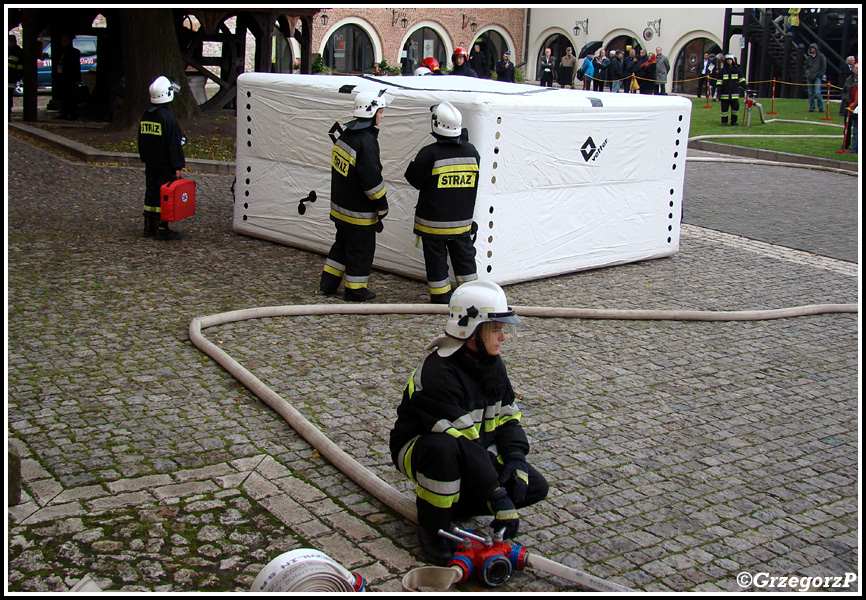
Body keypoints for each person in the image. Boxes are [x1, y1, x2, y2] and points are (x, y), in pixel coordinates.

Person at [390, 280, 549, 565]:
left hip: (471, 448)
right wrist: (495, 494)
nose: (503, 337)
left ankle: (457, 504)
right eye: (496, 329)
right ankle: (434, 527)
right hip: (424, 450)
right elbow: (461, 442)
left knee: (534, 485)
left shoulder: (491, 364)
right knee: (444, 451)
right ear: (471, 330)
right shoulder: (439, 373)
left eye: (503, 329)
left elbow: (508, 417)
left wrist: (515, 458)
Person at [404, 102, 480, 304]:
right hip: (461, 222)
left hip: (433, 223)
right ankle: (470, 297)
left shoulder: (429, 153)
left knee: (436, 261)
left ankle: (440, 297)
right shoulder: (472, 152)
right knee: (465, 259)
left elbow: (414, 179)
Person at [319, 89, 390, 301]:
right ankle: (355, 289)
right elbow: (371, 180)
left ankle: (328, 282)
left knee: (341, 245)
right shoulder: (366, 142)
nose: (383, 116)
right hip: (358, 213)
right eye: (381, 111)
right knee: (361, 250)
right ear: (372, 112)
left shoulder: (346, 136)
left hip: (340, 209)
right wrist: (382, 206)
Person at [138, 76, 185, 241]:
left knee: (151, 193)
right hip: (165, 165)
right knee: (164, 195)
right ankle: (163, 227)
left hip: (151, 163)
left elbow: (141, 140)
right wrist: (177, 166)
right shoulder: (167, 118)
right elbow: (174, 144)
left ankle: (149, 227)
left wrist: (145, 157)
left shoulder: (146, 115)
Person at [716, 54, 748, 126]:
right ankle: (724, 122)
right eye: (727, 60)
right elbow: (719, 82)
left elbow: (742, 81)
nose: (729, 61)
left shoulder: (737, 70)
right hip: (725, 94)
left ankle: (734, 121)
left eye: (730, 60)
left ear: (733, 61)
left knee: (735, 108)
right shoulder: (722, 71)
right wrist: (718, 92)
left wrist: (747, 88)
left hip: (734, 94)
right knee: (724, 110)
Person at [55, 33, 81, 120]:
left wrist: (77, 79)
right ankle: (64, 113)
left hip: (71, 78)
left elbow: (76, 66)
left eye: (64, 40)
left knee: (72, 97)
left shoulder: (74, 52)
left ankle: (73, 115)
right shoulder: (60, 52)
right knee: (64, 97)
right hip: (63, 77)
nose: (62, 42)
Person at [804, 43, 826, 113]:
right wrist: (807, 73)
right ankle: (812, 107)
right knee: (810, 93)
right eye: (811, 48)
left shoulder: (821, 57)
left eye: (813, 48)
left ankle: (821, 107)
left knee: (817, 92)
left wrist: (820, 74)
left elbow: (823, 66)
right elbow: (806, 66)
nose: (812, 49)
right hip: (810, 76)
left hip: (817, 76)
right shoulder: (809, 58)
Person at [841, 63, 858, 151]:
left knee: (856, 127)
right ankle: (845, 143)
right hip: (848, 105)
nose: (857, 70)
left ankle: (855, 146)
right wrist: (845, 99)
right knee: (847, 126)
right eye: (856, 68)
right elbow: (844, 91)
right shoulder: (848, 80)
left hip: (857, 106)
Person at [8, 34, 24, 119]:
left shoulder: (18, 51)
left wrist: (18, 76)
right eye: (10, 41)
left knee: (8, 97)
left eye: (13, 41)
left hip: (11, 78)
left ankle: (8, 114)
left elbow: (20, 66)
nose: (11, 43)